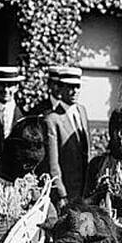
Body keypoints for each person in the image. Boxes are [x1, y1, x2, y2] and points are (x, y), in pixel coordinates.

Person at [42, 65, 89, 210]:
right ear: (60, 89)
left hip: (84, 189)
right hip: (66, 190)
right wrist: (61, 194)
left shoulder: (82, 111)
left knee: (84, 228)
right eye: (69, 87)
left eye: (77, 87)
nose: (74, 91)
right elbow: (53, 164)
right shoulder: (52, 119)